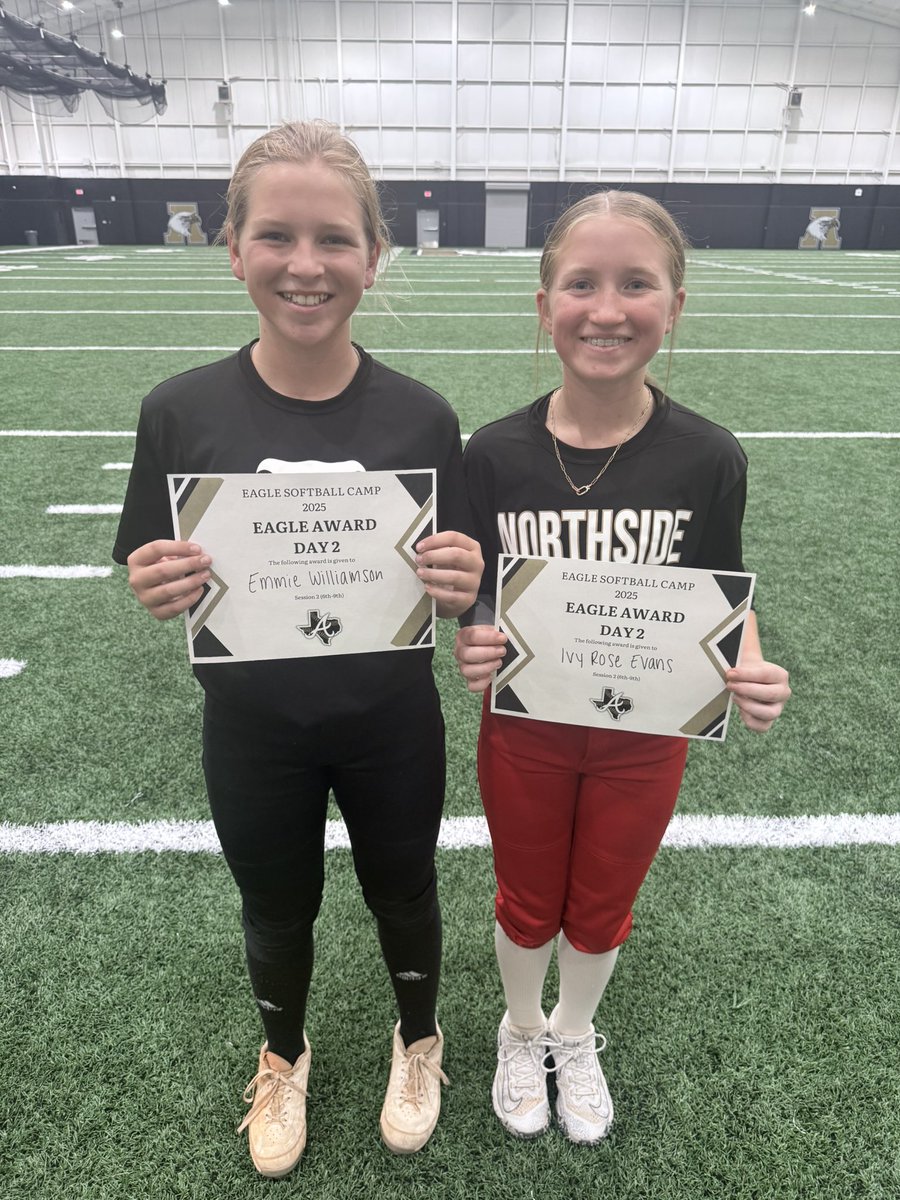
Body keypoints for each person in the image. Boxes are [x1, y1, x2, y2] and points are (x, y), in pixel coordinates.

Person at [112, 120, 482, 1177]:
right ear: (233, 248)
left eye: (334, 240)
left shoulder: (421, 418)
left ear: (374, 255)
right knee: (274, 901)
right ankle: (284, 1053)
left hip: (390, 724)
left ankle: (421, 1043)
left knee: (404, 888)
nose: (305, 265)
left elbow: (452, 579)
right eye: (276, 235)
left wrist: (459, 584)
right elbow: (153, 560)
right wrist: (155, 581)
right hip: (254, 728)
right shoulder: (179, 410)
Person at [454, 191, 791, 1146]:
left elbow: (723, 592)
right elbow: (481, 597)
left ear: (674, 305)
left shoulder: (707, 456)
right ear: (544, 303)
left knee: (603, 897)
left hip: (649, 735)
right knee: (526, 893)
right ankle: (522, 1030)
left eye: (636, 284)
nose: (608, 309)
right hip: (525, 727)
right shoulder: (495, 452)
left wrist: (752, 665)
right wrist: (474, 635)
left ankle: (573, 1028)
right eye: (582, 284)